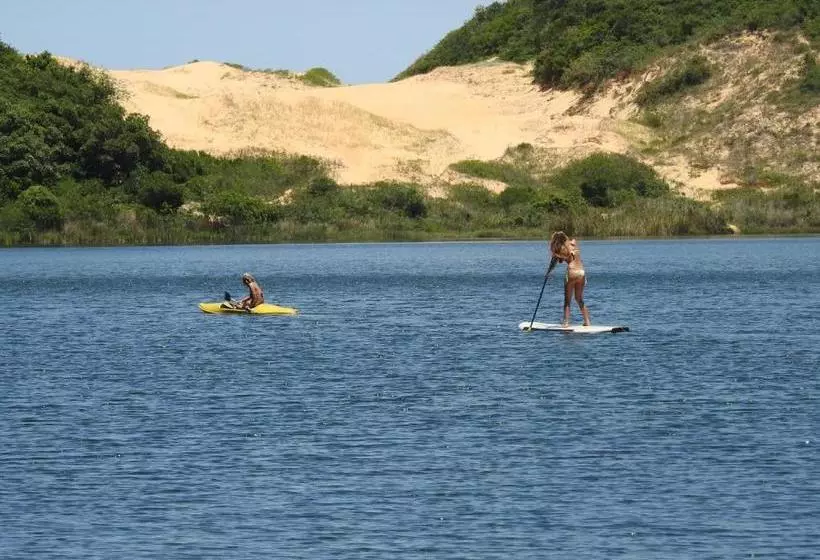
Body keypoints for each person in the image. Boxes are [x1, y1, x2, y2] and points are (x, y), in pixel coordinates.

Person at [547, 231, 591, 327]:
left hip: (571, 271)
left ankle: (566, 322)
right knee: (579, 299)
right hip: (582, 272)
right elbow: (570, 254)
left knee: (567, 300)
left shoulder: (562, 249)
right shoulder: (573, 243)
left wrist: (549, 272)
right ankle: (587, 322)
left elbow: (559, 261)